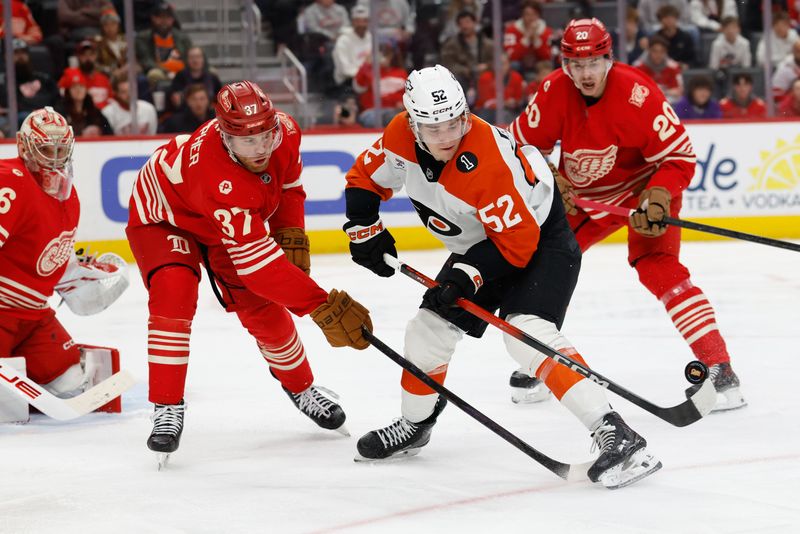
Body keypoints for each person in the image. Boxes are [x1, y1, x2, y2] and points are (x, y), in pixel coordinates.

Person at [343, 64, 661, 489]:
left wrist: (464, 278)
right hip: (483, 245)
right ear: (413, 123)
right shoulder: (400, 135)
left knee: (525, 332)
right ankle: (414, 425)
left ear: (466, 113)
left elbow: (516, 244)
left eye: (455, 123)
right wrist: (365, 230)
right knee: (428, 329)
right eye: (432, 128)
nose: (446, 136)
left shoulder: (487, 162)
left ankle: (614, 432)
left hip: (540, 239)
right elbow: (364, 178)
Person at [125, 80, 373, 460]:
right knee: (174, 299)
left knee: (265, 313)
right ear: (225, 137)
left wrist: (291, 233)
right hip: (165, 218)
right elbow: (257, 268)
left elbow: (290, 186)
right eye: (247, 140)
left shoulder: (286, 132)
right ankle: (166, 406)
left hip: (223, 221)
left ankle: (301, 387)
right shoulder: (217, 177)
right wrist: (322, 307)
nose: (260, 148)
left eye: (264, 135)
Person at [509, 18, 745, 412]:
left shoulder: (639, 94)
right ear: (565, 64)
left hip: (642, 193)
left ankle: (719, 366)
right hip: (582, 199)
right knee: (543, 264)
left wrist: (657, 195)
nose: (585, 73)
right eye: (576, 64)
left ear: (609, 59)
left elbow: (680, 157)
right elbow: (517, 148)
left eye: (593, 63)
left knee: (658, 266)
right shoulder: (553, 91)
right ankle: (542, 359)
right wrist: (546, 177)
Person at [0, 107, 128, 419]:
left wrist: (81, 275)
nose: (54, 159)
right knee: (5, 405)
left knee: (71, 383)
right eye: (45, 150)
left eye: (60, 150)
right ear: (24, 146)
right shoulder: (10, 180)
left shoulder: (69, 199)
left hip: (34, 317)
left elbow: (51, 260)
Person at [56, 67, 113, 136]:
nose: (78, 90)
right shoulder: (60, 113)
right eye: (74, 87)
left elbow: (108, 132)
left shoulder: (94, 111)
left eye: (81, 86)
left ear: (86, 89)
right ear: (68, 91)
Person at [634, 36, 684, 104]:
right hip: (646, 103)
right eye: (655, 51)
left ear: (666, 52)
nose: (658, 55)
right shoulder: (638, 67)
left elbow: (679, 91)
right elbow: (635, 91)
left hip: (669, 104)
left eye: (662, 51)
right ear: (649, 50)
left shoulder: (673, 67)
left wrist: (662, 92)